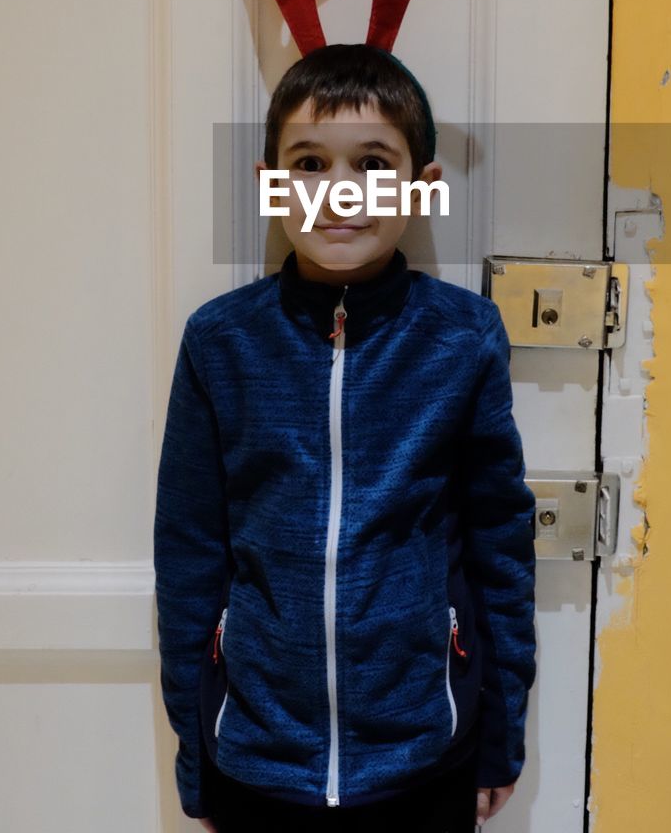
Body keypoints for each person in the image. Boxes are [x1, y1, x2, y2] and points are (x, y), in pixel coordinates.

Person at [154, 42, 537, 832]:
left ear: (423, 190)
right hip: (255, 759)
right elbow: (190, 555)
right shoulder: (219, 343)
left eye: (371, 162)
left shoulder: (462, 339)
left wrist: (496, 737)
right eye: (307, 164)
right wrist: (197, 752)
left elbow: (500, 547)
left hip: (423, 755)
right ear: (269, 185)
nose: (339, 193)